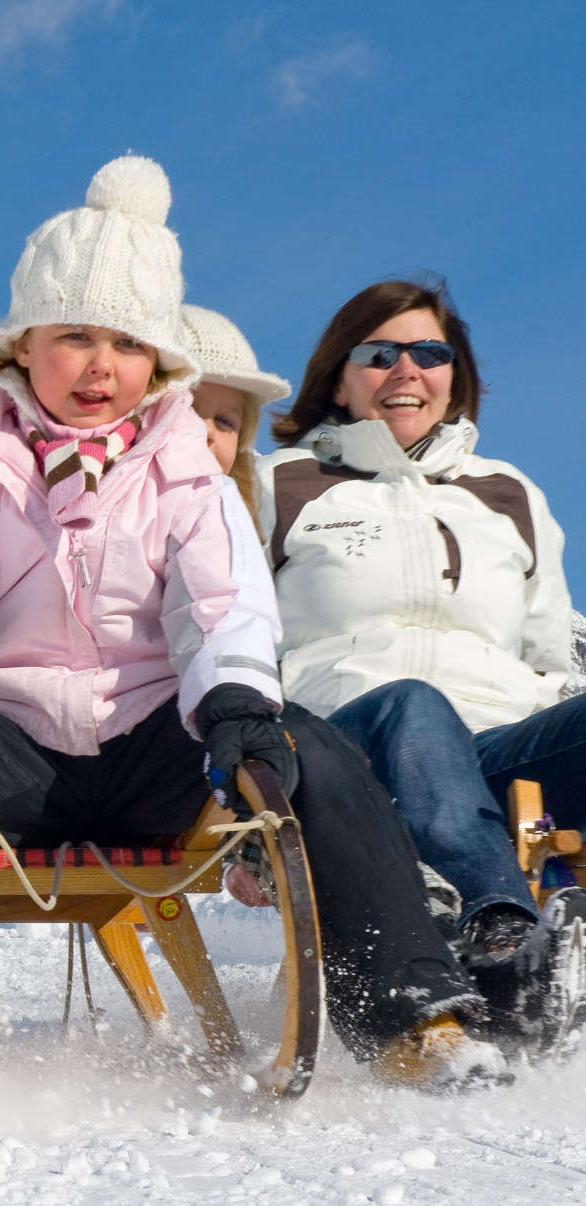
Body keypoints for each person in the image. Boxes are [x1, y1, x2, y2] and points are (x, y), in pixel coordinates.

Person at [0, 162, 506, 1090]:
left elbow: (220, 603)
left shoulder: (186, 475)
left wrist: (239, 703)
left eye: (125, 342)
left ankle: (416, 1021)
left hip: (157, 746)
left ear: (157, 361)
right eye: (73, 335)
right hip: (17, 753)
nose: (99, 365)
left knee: (314, 749)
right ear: (23, 345)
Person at [258, 279, 586, 1048]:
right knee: (414, 704)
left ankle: (549, 939)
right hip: (349, 745)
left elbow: (545, 648)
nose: (406, 371)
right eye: (379, 354)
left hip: (494, 751)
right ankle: (503, 940)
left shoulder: (510, 495)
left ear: (454, 374)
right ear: (337, 379)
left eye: (429, 353)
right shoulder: (276, 484)